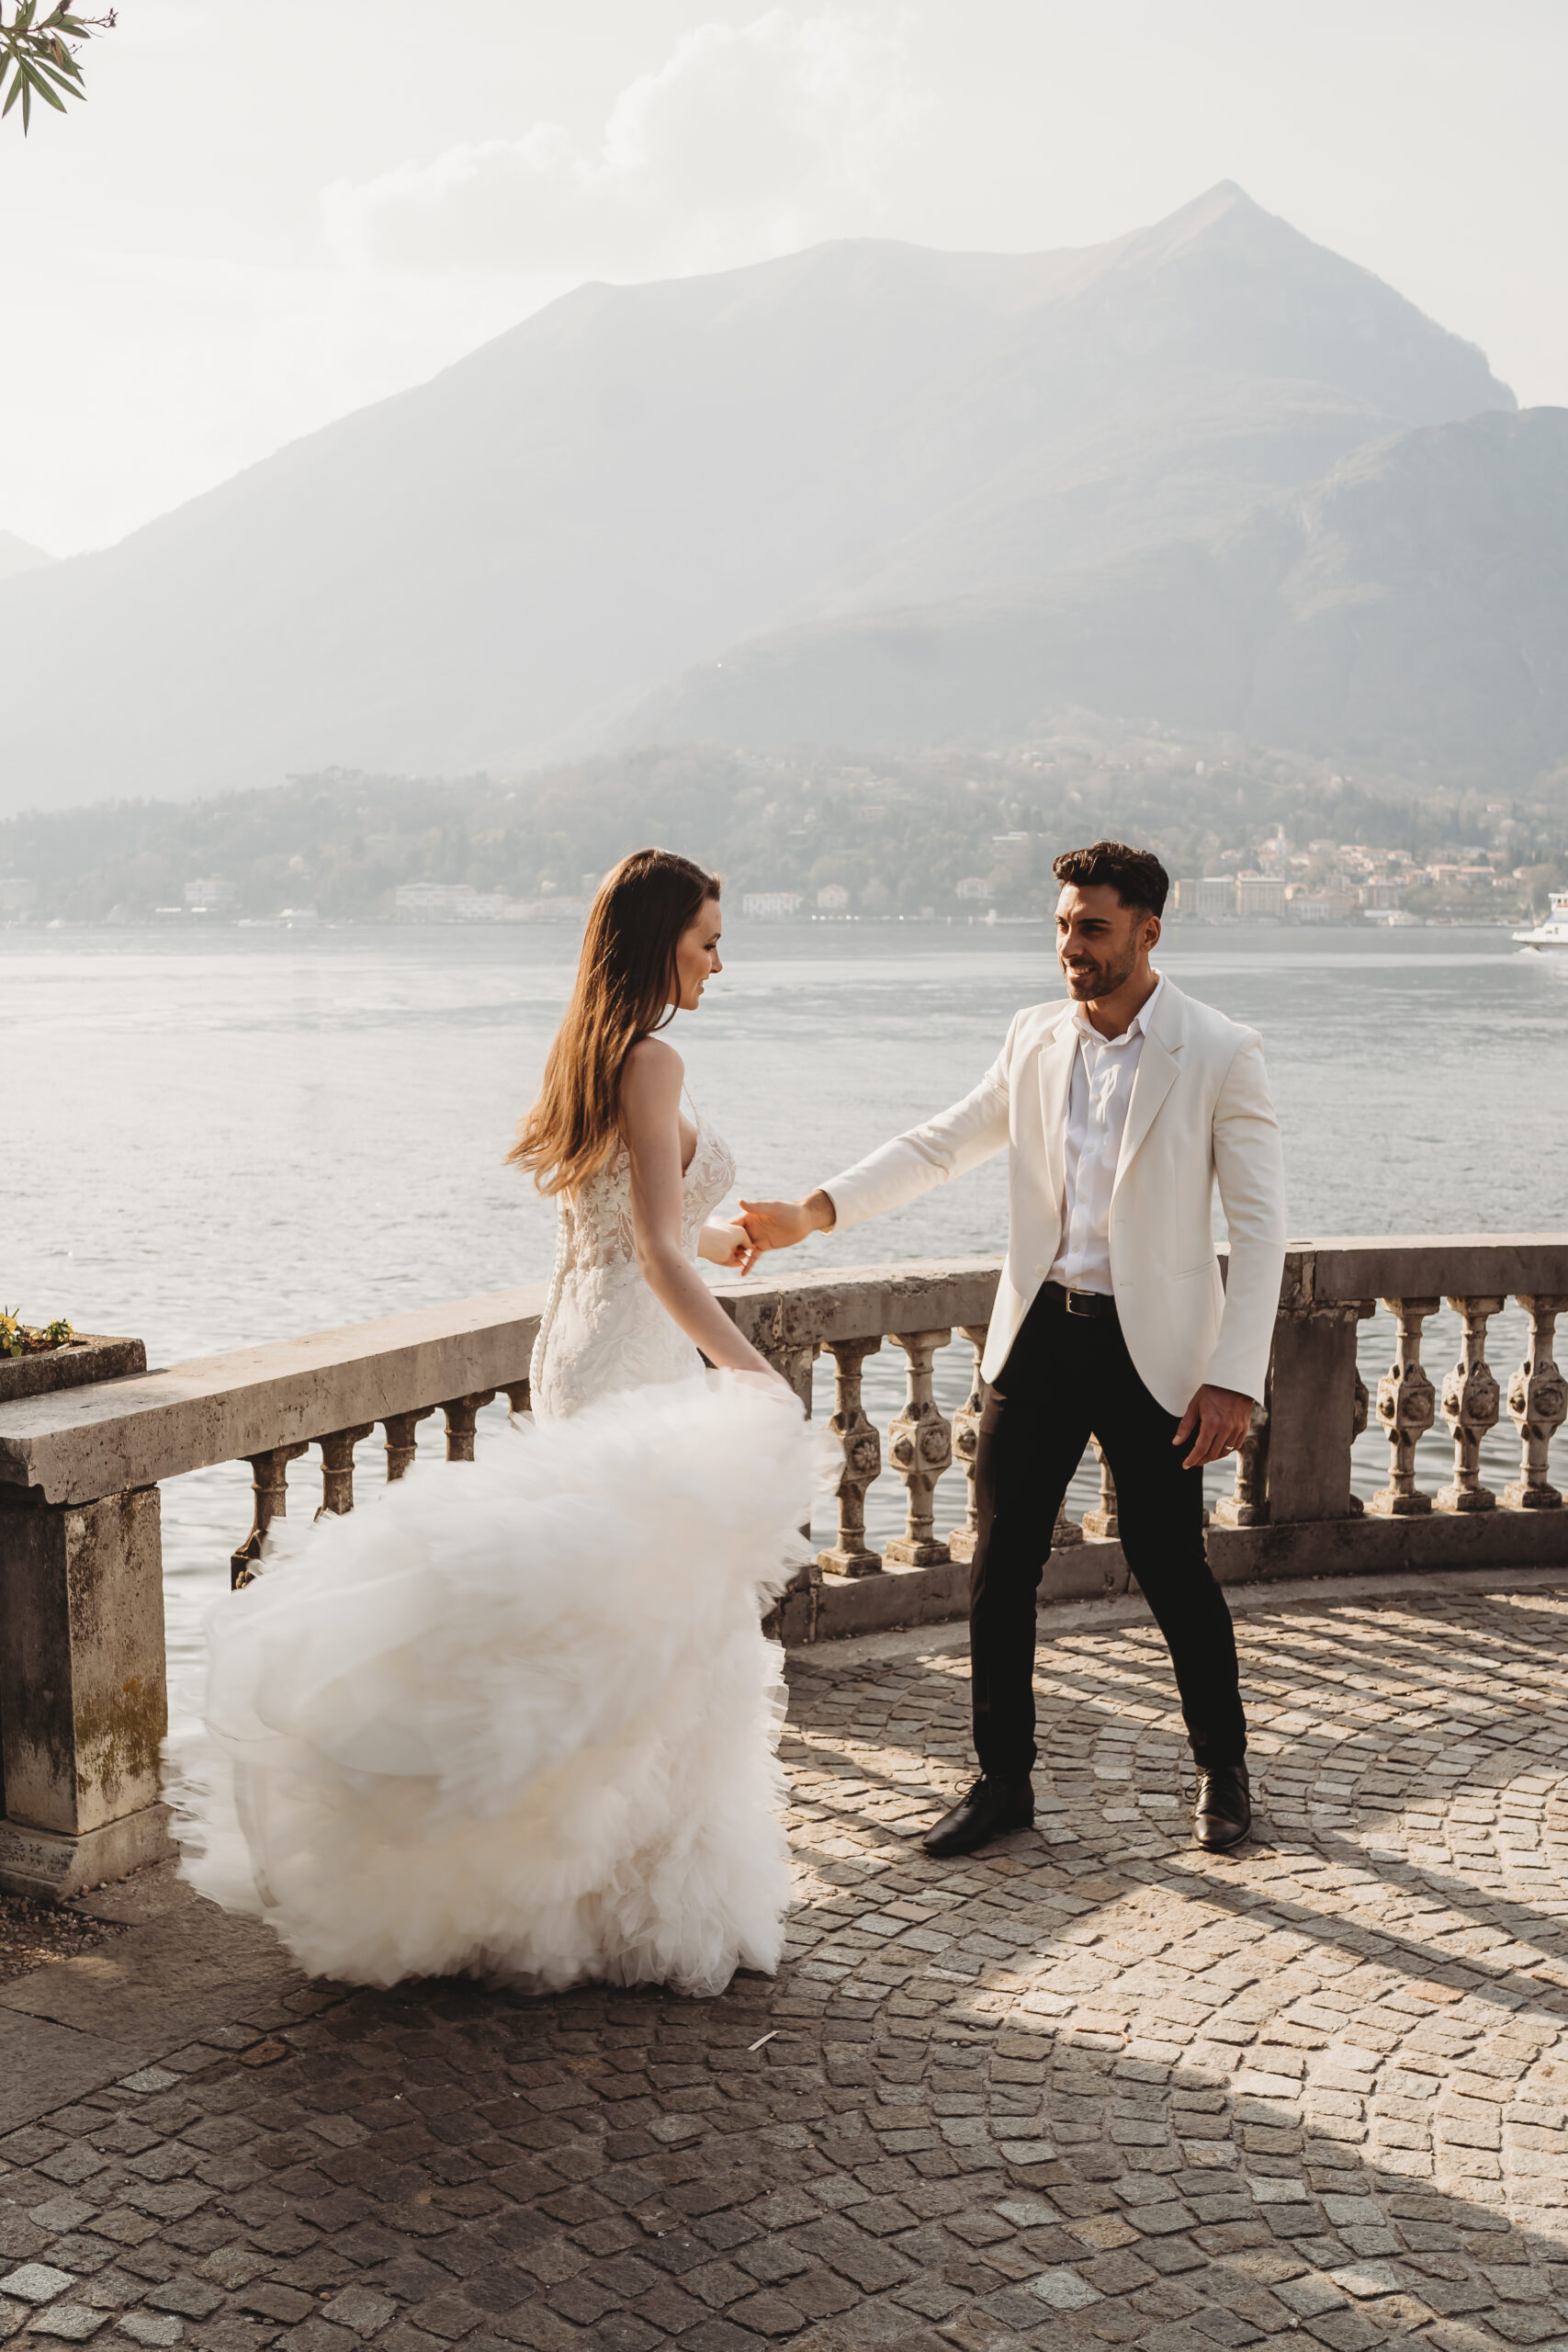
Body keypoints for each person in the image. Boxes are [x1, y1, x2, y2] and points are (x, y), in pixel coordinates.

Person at [169, 848, 821, 1995]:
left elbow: (628, 1229)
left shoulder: (593, 1052)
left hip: (579, 1344)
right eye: (710, 939)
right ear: (661, 940)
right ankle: (624, 1893)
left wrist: (734, 1240)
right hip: (632, 1352)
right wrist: (754, 1373)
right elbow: (659, 1255)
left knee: (591, 1620)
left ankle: (568, 1877)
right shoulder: (656, 1056)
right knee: (647, 1620)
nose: (722, 959)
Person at [739, 840, 1286, 1859]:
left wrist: (1232, 1376)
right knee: (999, 1565)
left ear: (1149, 931)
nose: (1071, 947)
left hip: (1154, 1353)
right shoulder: (1034, 1038)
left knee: (1172, 1568)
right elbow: (940, 1143)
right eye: (1063, 926)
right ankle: (1003, 1785)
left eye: (1093, 927)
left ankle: (1223, 1771)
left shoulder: (1218, 1050)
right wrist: (814, 1213)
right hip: (1039, 1336)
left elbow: (1260, 1233)